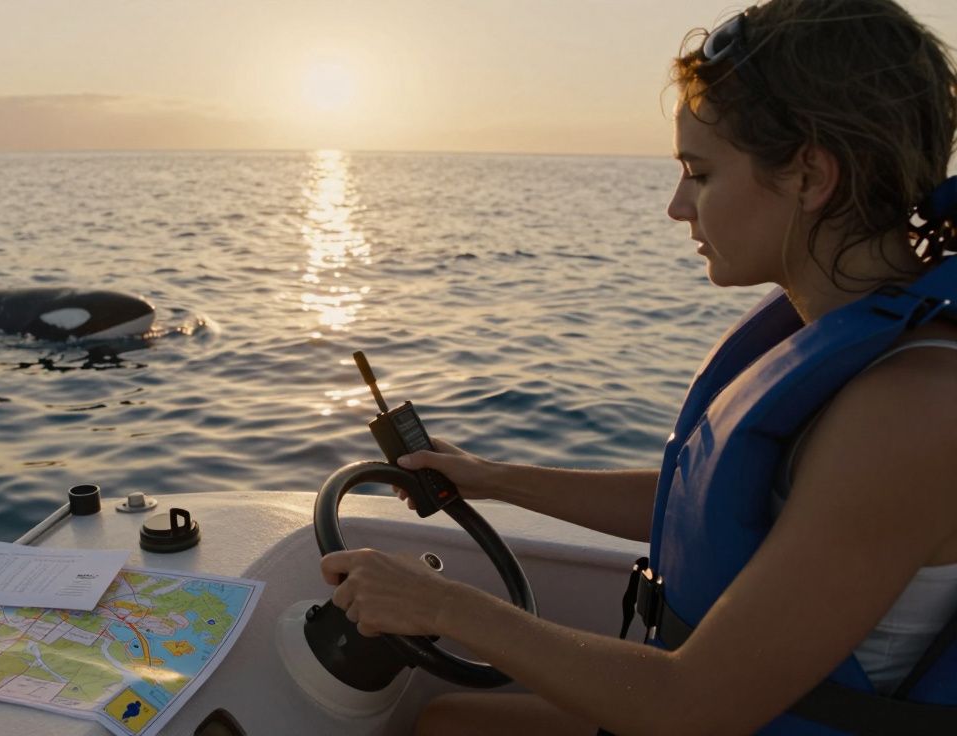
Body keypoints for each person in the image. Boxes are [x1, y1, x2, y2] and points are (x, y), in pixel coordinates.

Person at [319, 1, 957, 734]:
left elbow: (692, 705)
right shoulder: (862, 344)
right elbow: (716, 500)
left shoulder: (913, 407)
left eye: (701, 173)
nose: (677, 207)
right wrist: (494, 479)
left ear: (810, 175)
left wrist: (438, 605)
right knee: (447, 723)